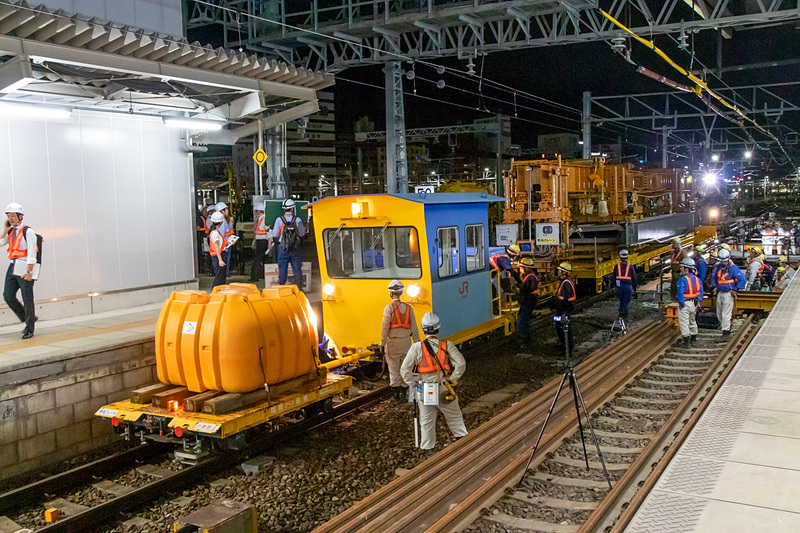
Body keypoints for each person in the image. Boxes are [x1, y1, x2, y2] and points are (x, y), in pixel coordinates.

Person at [400, 312, 467, 456]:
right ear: (438, 328)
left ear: (423, 329)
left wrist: (413, 383)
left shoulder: (416, 348)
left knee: (426, 421)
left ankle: (429, 450)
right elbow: (460, 364)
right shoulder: (447, 345)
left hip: (425, 390)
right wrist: (453, 379)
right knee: (454, 417)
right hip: (444, 388)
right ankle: (463, 441)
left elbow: (404, 370)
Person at [1, 203, 38, 339]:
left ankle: (29, 328)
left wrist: (29, 272)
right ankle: (29, 318)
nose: (11, 219)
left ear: (20, 216)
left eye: (13, 216)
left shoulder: (28, 231)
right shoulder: (10, 231)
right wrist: (5, 230)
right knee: (8, 296)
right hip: (13, 267)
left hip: (25, 268)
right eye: (8, 216)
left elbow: (32, 254)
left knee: (27, 298)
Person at [381, 280, 420, 399]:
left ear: (391, 294)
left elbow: (385, 326)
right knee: (405, 367)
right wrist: (417, 343)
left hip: (393, 342)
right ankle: (404, 391)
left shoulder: (389, 308)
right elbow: (414, 326)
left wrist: (382, 343)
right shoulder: (409, 308)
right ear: (401, 292)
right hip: (406, 342)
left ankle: (395, 393)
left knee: (393, 368)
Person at [271, 199, 306, 287]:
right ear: (292, 208)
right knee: (297, 267)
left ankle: (282, 286)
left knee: (282, 267)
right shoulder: (297, 219)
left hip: (283, 246)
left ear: (284, 209)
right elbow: (302, 234)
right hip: (295, 246)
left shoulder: (279, 220)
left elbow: (275, 234)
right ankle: (299, 287)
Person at [711, 248, 746, 337]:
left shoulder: (733, 268)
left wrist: (735, 289)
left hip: (728, 293)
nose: (723, 263)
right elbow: (715, 278)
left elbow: (742, 280)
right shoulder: (718, 267)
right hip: (720, 293)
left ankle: (726, 332)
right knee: (719, 313)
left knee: (725, 314)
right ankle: (725, 328)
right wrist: (715, 287)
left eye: (724, 261)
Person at [676, 258, 703, 347]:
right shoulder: (697, 279)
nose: (681, 268)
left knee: (684, 322)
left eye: (682, 267)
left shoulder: (682, 280)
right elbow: (701, 292)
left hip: (685, 304)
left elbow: (680, 293)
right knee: (692, 321)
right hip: (694, 304)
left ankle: (686, 341)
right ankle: (693, 338)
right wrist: (698, 302)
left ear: (686, 268)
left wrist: (681, 304)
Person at [516, 257, 539, 344]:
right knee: (524, 318)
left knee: (523, 319)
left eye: (521, 267)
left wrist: (521, 288)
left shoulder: (531, 276)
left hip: (529, 300)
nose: (520, 269)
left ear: (526, 268)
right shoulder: (528, 276)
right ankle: (525, 337)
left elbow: (530, 288)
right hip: (528, 300)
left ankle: (524, 338)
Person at [554, 262, 576, 354]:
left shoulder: (566, 283)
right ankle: (565, 345)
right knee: (559, 323)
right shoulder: (565, 282)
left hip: (564, 310)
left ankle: (567, 347)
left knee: (563, 326)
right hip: (563, 309)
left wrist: (562, 310)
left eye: (559, 270)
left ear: (563, 272)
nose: (558, 271)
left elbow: (565, 298)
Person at [613, 249, 637, 319]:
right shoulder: (631, 267)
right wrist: (635, 288)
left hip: (619, 286)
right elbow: (634, 278)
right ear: (627, 257)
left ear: (620, 257)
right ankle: (624, 316)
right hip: (628, 286)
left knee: (621, 300)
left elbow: (614, 277)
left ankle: (620, 314)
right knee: (626, 300)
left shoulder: (616, 266)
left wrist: (614, 286)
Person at [250, 203, 270, 282]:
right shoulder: (260, 219)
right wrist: (254, 241)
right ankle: (264, 275)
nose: (255, 213)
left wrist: (269, 242)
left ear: (258, 211)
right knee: (264, 259)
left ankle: (255, 276)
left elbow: (267, 231)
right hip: (261, 241)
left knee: (257, 259)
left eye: (255, 211)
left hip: (262, 241)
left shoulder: (264, 219)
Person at [208, 211, 228, 289]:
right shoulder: (215, 233)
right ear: (220, 222)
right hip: (218, 256)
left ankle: (220, 293)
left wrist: (224, 248)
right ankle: (214, 292)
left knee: (221, 276)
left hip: (219, 255)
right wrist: (220, 260)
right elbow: (216, 247)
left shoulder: (216, 232)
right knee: (219, 277)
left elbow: (219, 245)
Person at [216, 202, 234, 275]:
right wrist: (224, 246)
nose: (227, 210)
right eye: (226, 209)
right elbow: (222, 235)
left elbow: (228, 230)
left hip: (227, 243)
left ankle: (225, 273)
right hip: (225, 244)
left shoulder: (223, 220)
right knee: (225, 259)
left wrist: (231, 222)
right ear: (222, 211)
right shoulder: (222, 221)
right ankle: (225, 273)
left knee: (227, 258)